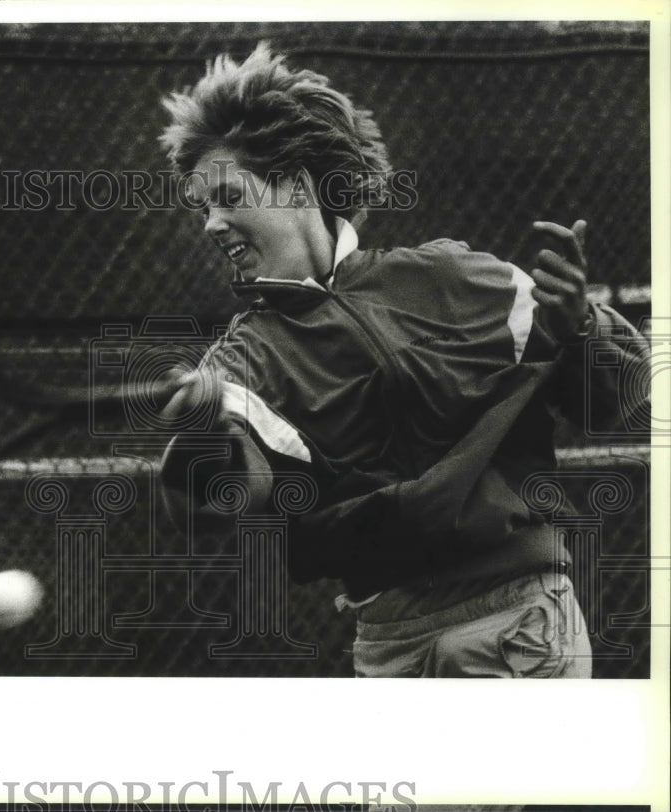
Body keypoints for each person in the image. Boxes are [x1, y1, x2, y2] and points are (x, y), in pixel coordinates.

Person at [156, 43, 650, 678]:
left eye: (227, 195)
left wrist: (581, 324)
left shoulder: (456, 277)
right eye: (202, 207)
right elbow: (214, 507)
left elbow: (624, 396)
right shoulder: (242, 360)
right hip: (390, 646)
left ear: (299, 185)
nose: (210, 224)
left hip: (515, 622)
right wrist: (199, 442)